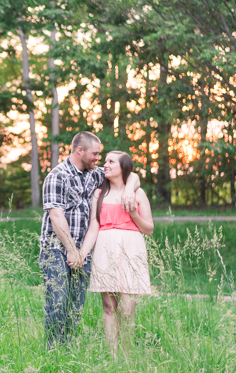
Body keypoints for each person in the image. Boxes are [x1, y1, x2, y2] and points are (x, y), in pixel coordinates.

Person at [39, 132, 140, 348]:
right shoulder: (57, 176)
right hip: (56, 249)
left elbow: (129, 173)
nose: (98, 159)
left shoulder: (94, 174)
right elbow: (56, 217)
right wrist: (70, 250)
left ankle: (69, 350)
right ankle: (53, 351)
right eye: (95, 154)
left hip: (84, 251)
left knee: (76, 305)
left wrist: (130, 189)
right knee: (58, 302)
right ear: (80, 151)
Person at [80, 150, 153, 357]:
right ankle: (112, 355)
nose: (105, 165)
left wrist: (132, 214)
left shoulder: (138, 194)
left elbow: (149, 229)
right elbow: (94, 226)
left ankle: (126, 354)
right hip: (105, 247)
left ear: (123, 167)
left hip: (131, 248)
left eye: (111, 161)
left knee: (128, 309)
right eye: (105, 161)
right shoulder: (99, 193)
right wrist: (83, 253)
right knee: (108, 305)